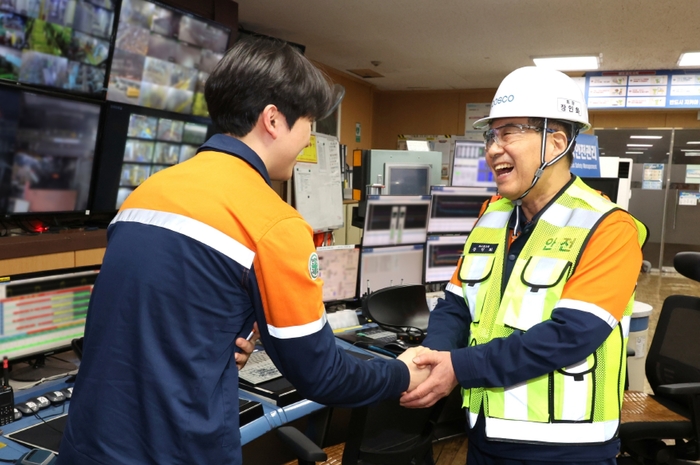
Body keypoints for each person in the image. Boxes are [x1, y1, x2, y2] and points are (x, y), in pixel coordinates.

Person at [58, 37, 427, 465]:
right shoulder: (274, 222)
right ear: (273, 119)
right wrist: (401, 371)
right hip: (177, 451)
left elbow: (153, 313)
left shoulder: (146, 194)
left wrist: (219, 334)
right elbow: (323, 375)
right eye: (309, 122)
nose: (309, 137)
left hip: (89, 445)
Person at [400, 66, 647, 464]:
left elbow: (569, 336)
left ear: (556, 143)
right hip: (485, 435)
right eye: (490, 136)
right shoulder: (492, 215)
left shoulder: (609, 227)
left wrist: (458, 367)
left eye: (509, 132)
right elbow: (457, 302)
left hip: (566, 451)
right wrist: (433, 355)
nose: (493, 148)